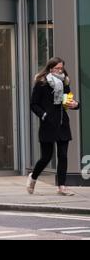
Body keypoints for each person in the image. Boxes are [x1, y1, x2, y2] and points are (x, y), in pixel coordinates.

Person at [27, 57, 79, 196]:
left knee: (63, 156)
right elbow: (33, 104)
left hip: (62, 123)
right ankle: (33, 177)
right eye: (57, 68)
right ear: (50, 69)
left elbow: (67, 100)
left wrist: (75, 104)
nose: (60, 71)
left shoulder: (64, 81)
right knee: (46, 157)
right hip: (48, 125)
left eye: (61, 68)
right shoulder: (41, 83)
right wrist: (44, 115)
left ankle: (61, 187)